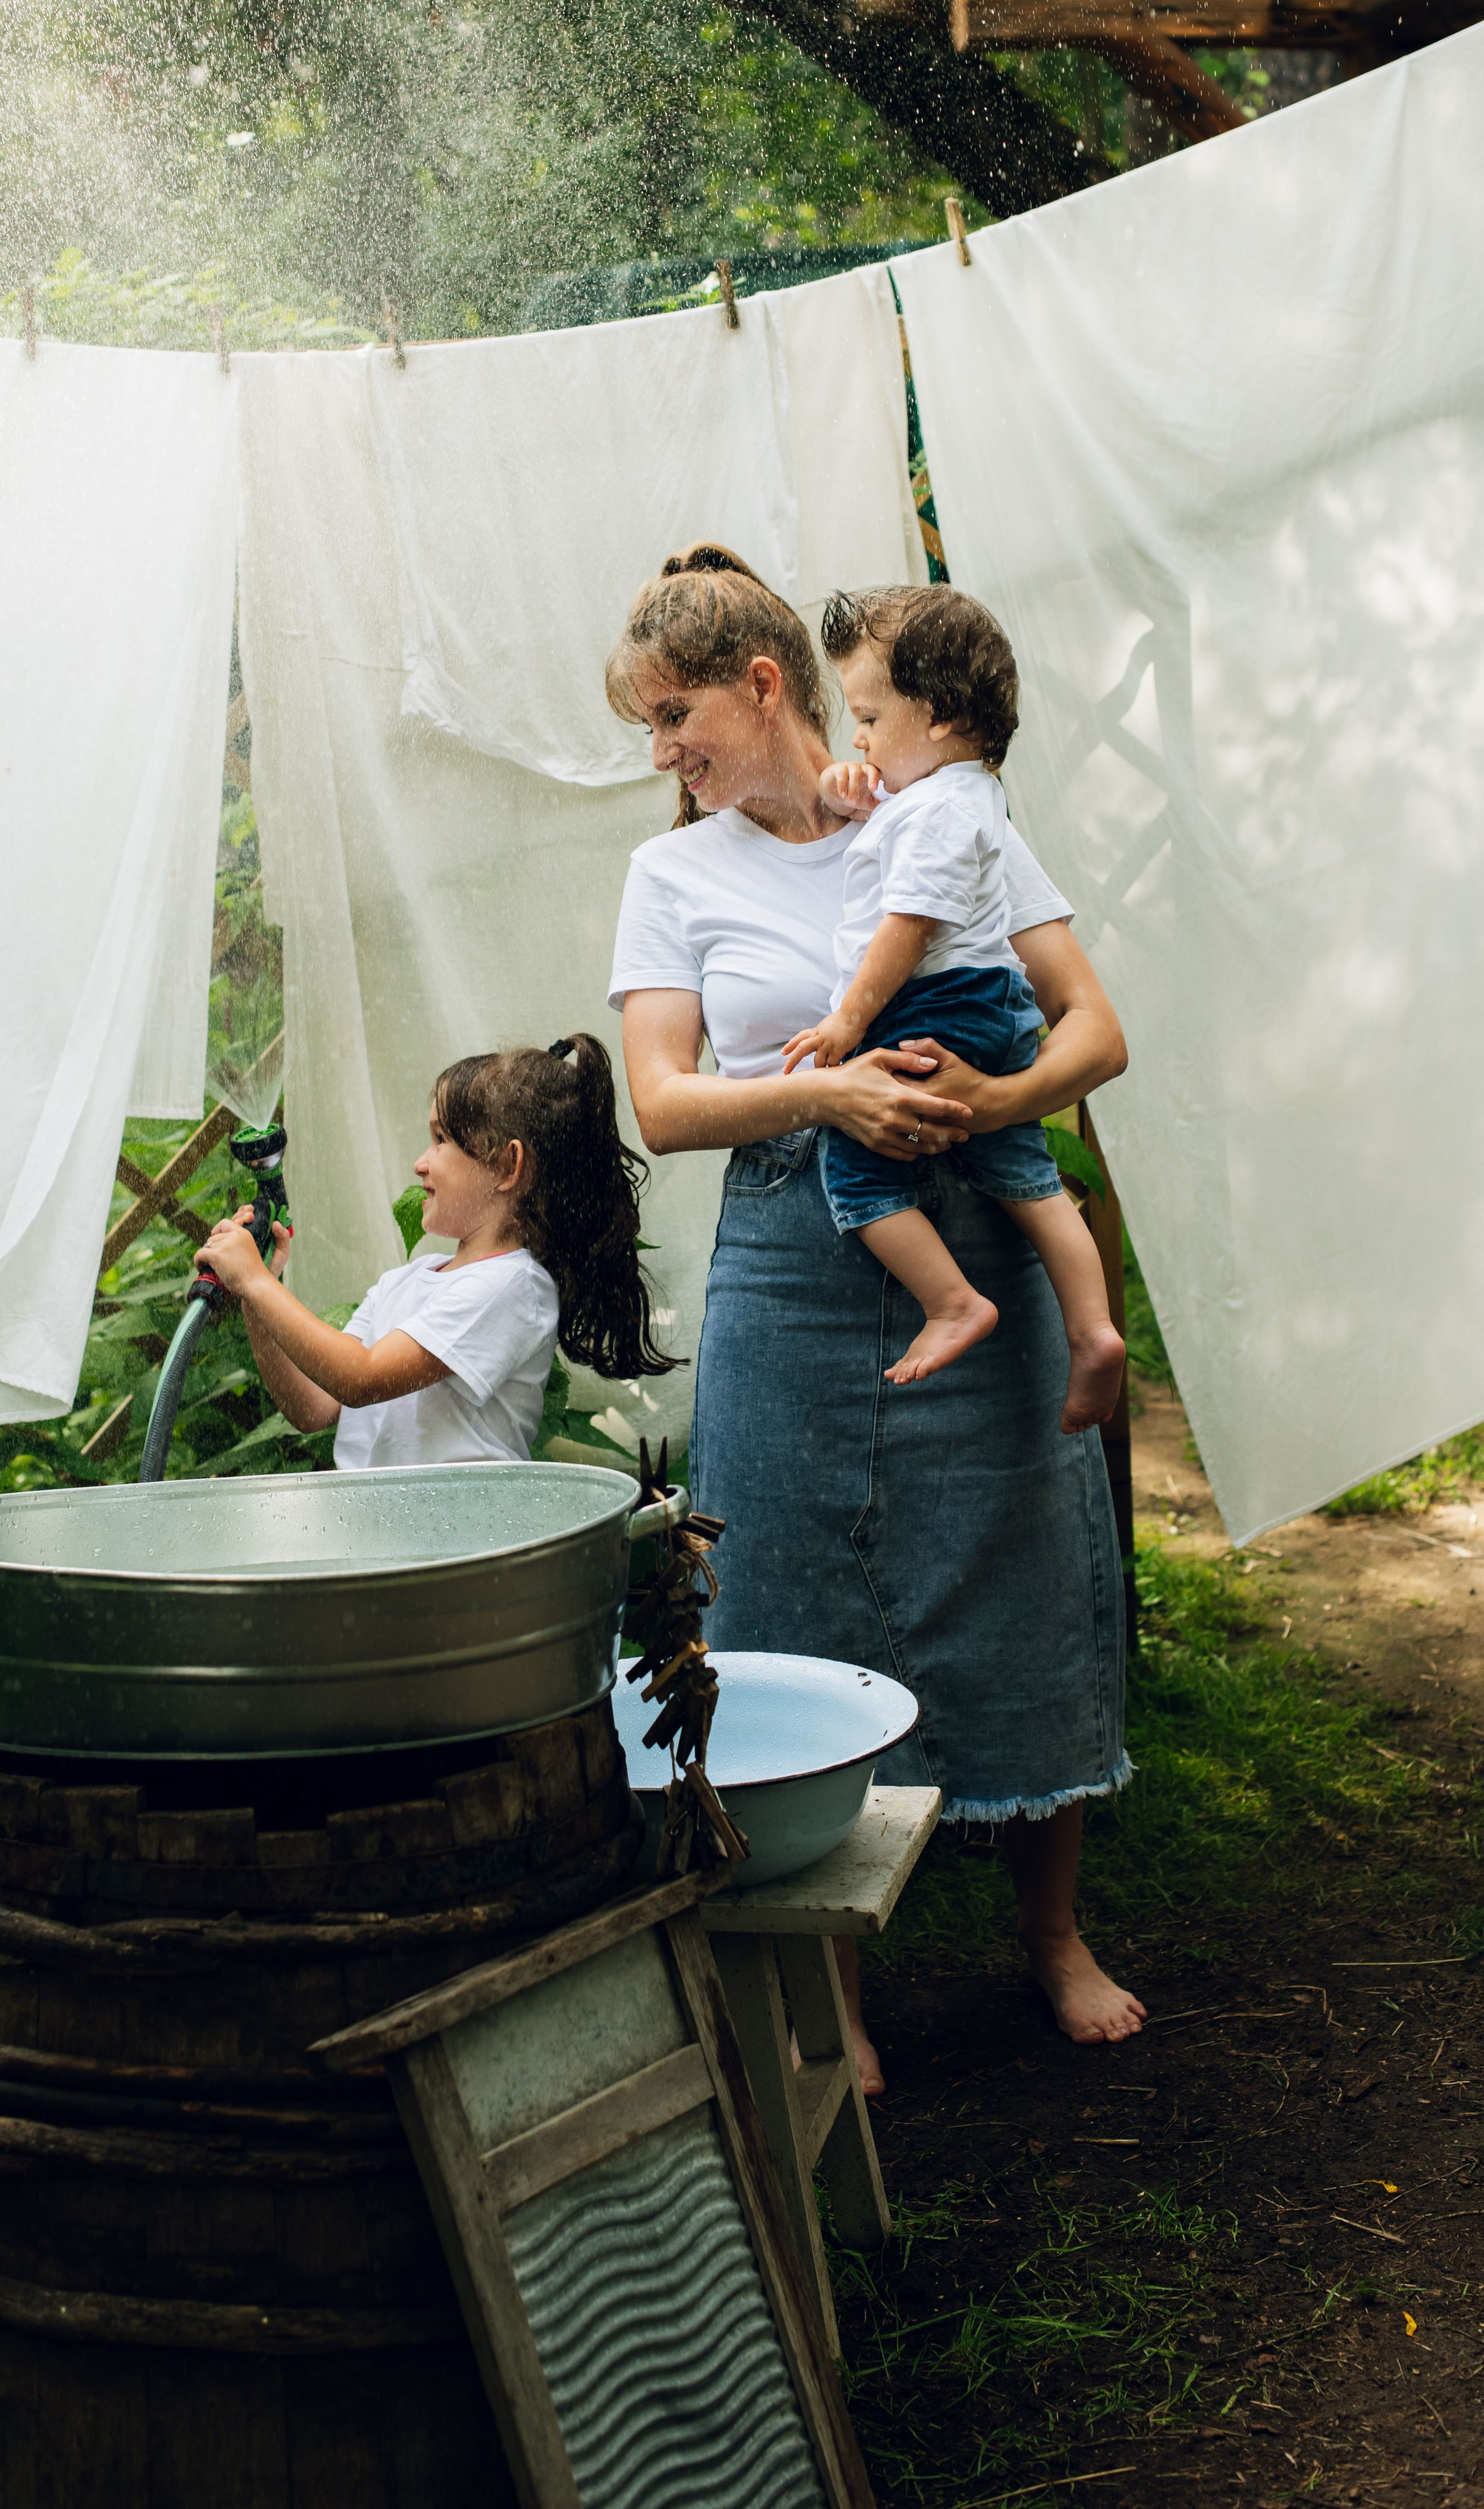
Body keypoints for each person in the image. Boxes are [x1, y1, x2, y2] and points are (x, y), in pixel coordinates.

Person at [606, 543, 1143, 2078]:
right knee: (784, 1598)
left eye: (674, 717)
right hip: (787, 1260)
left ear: (758, 683)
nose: (663, 754)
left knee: (1027, 1558)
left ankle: (1051, 1935)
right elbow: (663, 1104)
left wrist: (998, 1098)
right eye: (650, 728)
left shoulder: (932, 811)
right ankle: (829, 1985)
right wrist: (829, 1092)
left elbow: (1090, 1028)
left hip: (969, 1228)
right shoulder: (672, 876)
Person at [781, 584, 1126, 1424]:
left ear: (937, 715)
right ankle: (1093, 1329)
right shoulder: (958, 798)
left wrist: (850, 1018)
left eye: (869, 717)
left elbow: (908, 926)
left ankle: (951, 1302)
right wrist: (855, 792)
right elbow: (898, 821)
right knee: (1025, 1173)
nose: (857, 737)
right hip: (992, 1004)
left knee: (855, 1162)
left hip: (936, 1002)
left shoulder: (937, 811)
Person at [196, 1034, 674, 1463]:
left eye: (441, 1140)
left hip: (459, 1531)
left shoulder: (511, 1288)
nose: (420, 1163)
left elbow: (360, 1379)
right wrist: (258, 1288)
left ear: (508, 1166)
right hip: (386, 1529)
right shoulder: (405, 1282)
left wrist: (255, 1281)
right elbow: (313, 1407)